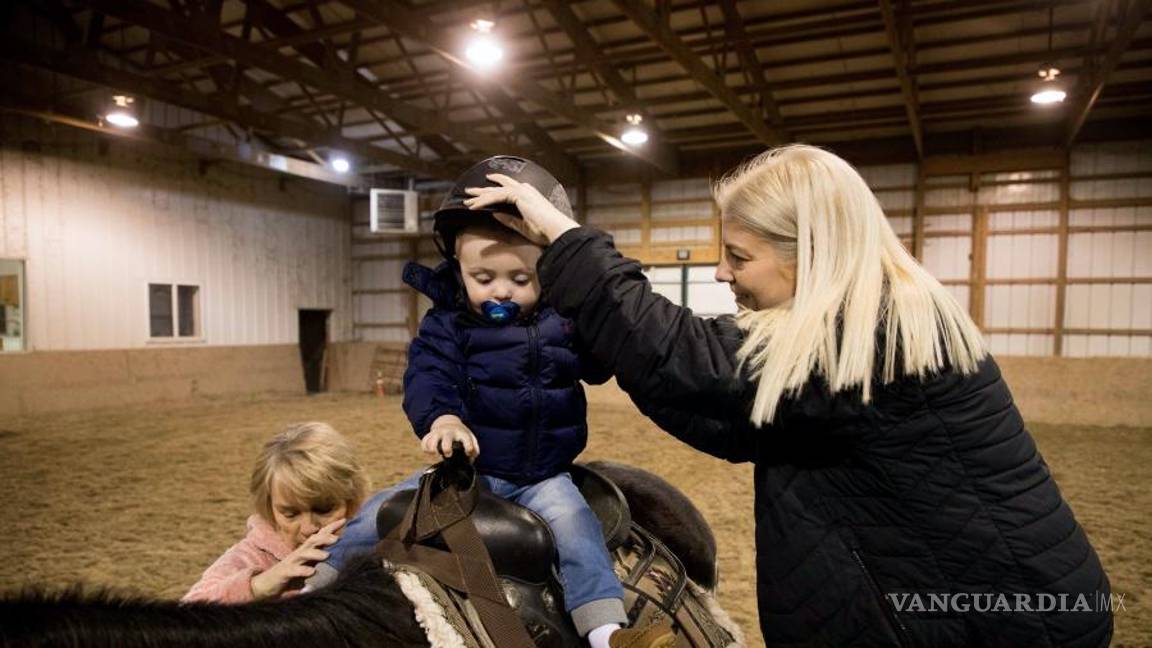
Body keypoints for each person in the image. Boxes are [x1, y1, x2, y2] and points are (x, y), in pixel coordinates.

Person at [466, 144, 1113, 647]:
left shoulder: (877, 334)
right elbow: (728, 416)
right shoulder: (861, 326)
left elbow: (692, 360)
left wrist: (566, 242)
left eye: (738, 256)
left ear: (808, 254)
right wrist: (604, 342)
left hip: (995, 622)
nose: (721, 272)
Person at [314, 156, 674, 648]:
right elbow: (428, 373)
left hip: (543, 474)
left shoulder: (564, 319)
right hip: (467, 472)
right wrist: (441, 417)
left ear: (547, 273)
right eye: (482, 278)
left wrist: (594, 303)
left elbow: (598, 362)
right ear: (458, 268)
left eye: (520, 280)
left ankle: (606, 630)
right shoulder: (449, 323)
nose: (500, 291)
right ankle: (309, 591)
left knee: (576, 529)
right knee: (378, 514)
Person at [183, 422, 368, 603]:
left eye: (324, 510)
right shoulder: (251, 557)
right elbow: (188, 615)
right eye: (290, 514)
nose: (309, 528)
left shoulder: (371, 543)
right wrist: (258, 585)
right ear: (268, 508)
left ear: (351, 500)